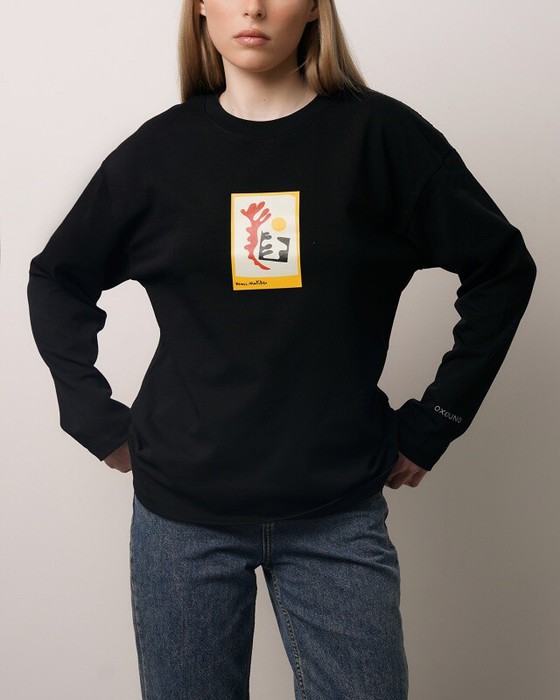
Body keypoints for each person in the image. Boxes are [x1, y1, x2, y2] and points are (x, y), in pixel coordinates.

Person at [26, 1, 537, 698]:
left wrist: (438, 420)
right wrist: (92, 417)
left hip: (337, 509)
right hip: (181, 516)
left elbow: (501, 268)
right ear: (200, 7)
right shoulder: (158, 153)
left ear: (316, 7)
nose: (254, 7)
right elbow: (58, 278)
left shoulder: (382, 140)